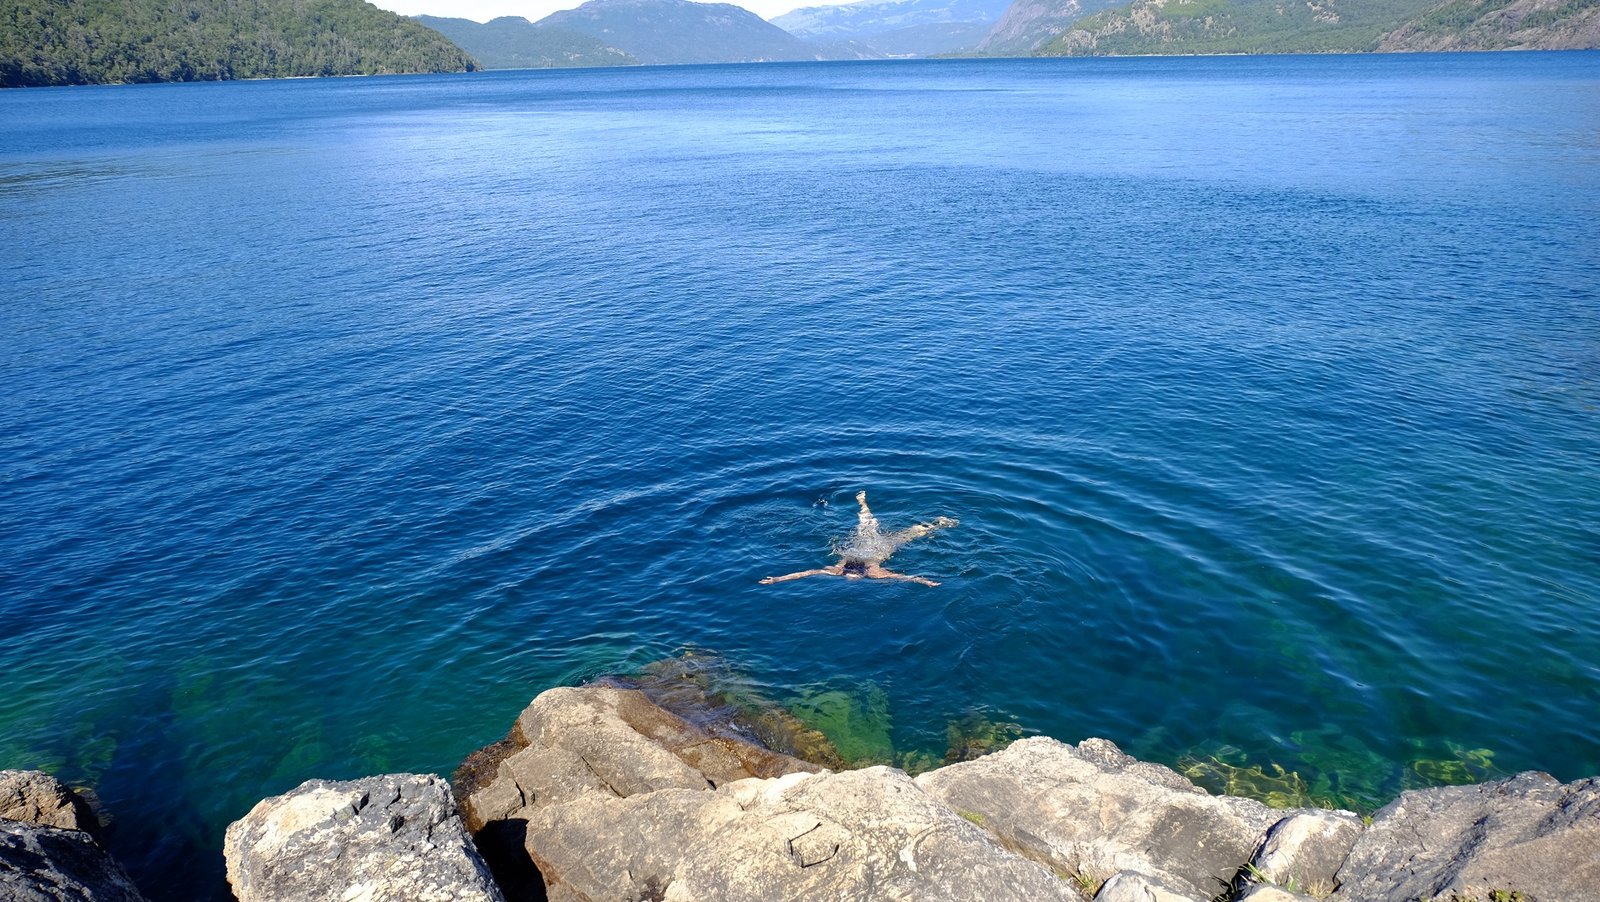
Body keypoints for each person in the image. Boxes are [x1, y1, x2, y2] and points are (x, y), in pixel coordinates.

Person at [760, 491, 957, 587]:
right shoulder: (875, 572)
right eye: (854, 577)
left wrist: (778, 579)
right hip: (882, 547)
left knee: (866, 524)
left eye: (849, 577)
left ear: (844, 574)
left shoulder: (836, 571)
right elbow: (903, 577)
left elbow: (806, 573)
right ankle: (938, 524)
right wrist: (925, 582)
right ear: (862, 575)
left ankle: (863, 503)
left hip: (861, 545)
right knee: (910, 534)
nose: (851, 576)